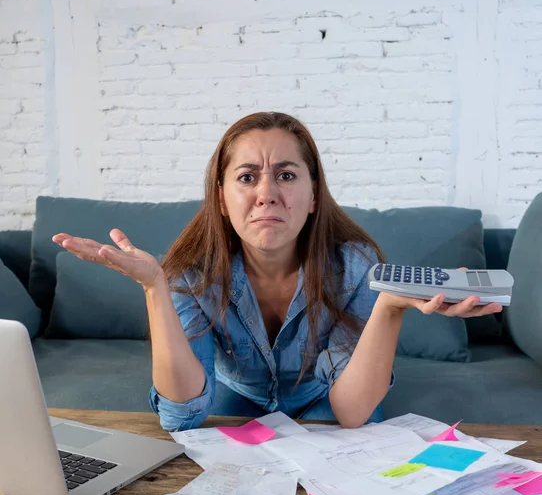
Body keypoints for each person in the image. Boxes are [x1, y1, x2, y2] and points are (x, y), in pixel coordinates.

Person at [52, 112, 501, 432]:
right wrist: (155, 287)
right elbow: (179, 416)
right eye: (247, 177)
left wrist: (390, 306)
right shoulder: (191, 272)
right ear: (222, 200)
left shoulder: (356, 266)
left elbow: (350, 412)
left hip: (321, 394)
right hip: (238, 392)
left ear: (313, 196)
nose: (267, 193)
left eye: (286, 176)